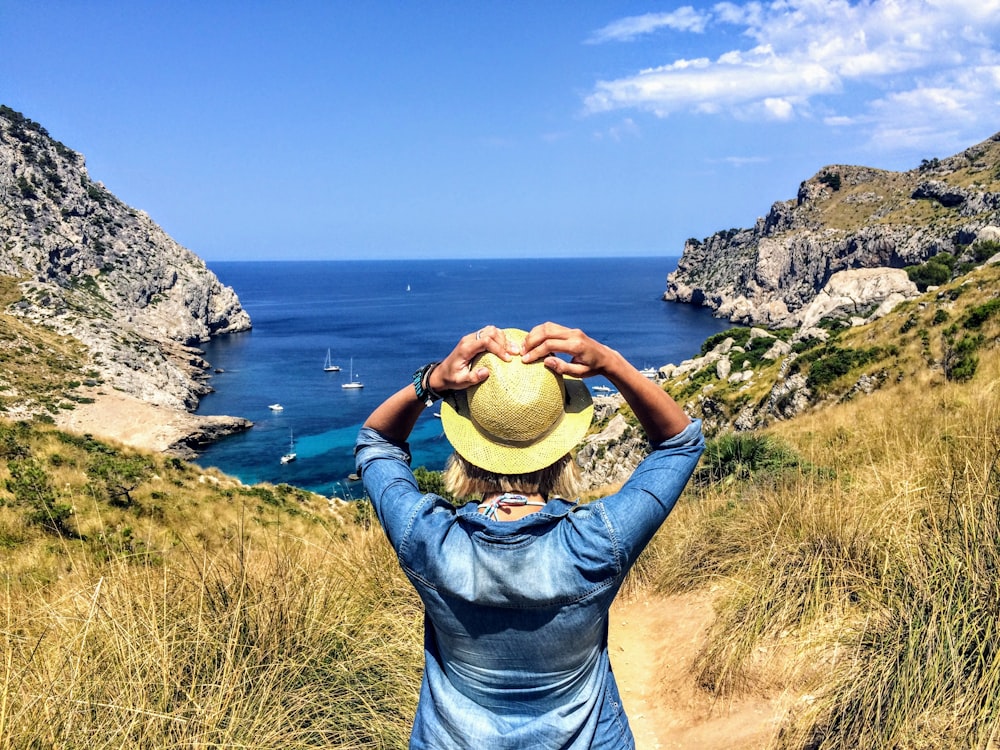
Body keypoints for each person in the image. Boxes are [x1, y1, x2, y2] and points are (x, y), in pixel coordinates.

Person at [354, 322, 704, 749]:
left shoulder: (426, 538)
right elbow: (679, 443)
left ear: (465, 447)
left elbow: (376, 443)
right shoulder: (596, 542)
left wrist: (430, 382)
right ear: (561, 449)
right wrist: (610, 363)